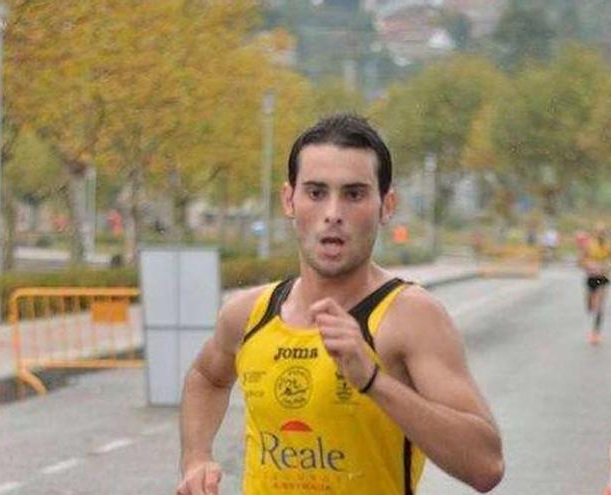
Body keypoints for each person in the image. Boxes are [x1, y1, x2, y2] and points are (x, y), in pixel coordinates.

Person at [176, 114, 504, 495]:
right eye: (316, 192)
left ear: (386, 205)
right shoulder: (249, 313)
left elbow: (486, 466)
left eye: (354, 194)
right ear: (289, 200)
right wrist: (196, 457)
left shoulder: (410, 317)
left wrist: (372, 380)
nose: (333, 213)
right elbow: (206, 378)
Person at [578, 225, 611, 345]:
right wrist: (590, 266)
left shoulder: (609, 245)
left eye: (603, 233)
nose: (602, 235)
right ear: (595, 234)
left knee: (600, 305)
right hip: (591, 277)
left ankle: (595, 333)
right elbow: (581, 261)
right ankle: (591, 305)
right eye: (600, 233)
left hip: (603, 278)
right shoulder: (589, 245)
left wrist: (608, 266)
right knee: (589, 305)